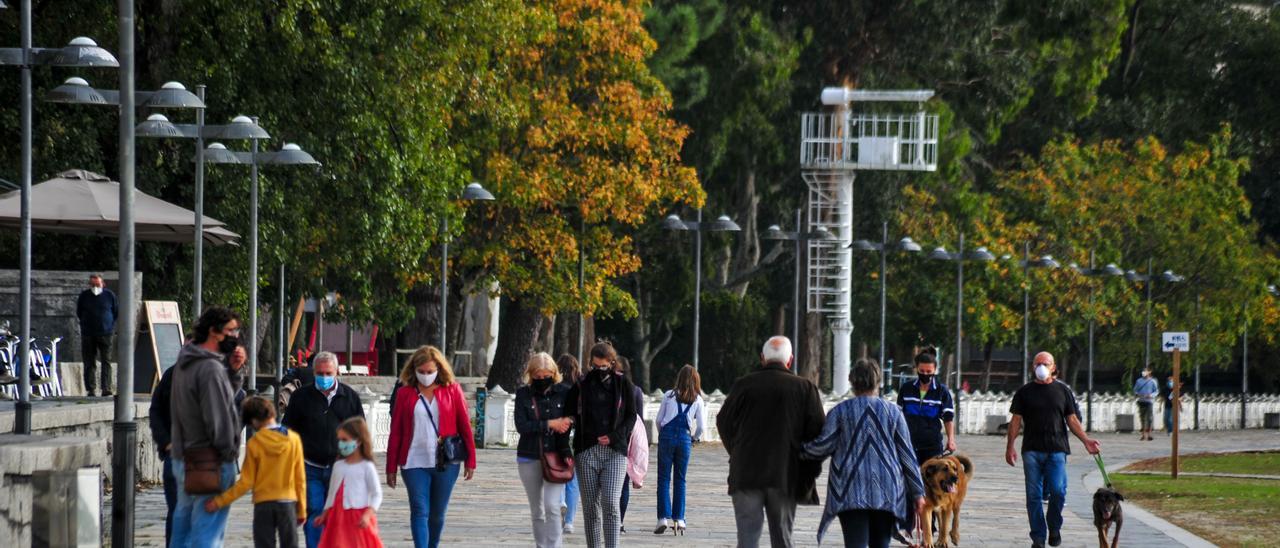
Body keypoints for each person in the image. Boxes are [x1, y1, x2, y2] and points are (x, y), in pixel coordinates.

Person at [716, 336, 825, 548]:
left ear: (762, 358)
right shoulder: (805, 389)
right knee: (783, 540)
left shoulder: (744, 385)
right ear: (790, 360)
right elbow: (818, 434)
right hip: (786, 475)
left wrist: (737, 451)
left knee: (747, 540)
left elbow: (723, 422)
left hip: (746, 474)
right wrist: (807, 469)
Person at [803, 358, 926, 547]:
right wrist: (918, 493)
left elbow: (823, 446)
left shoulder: (840, 412)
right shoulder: (893, 412)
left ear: (852, 381)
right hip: (887, 489)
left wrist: (798, 450)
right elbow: (907, 456)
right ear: (878, 382)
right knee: (881, 544)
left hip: (850, 489)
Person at [1005, 351, 1101, 548]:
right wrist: (1010, 447)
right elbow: (1015, 421)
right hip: (1031, 450)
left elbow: (1072, 420)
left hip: (1057, 450)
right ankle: (1038, 537)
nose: (1041, 366)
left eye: (1045, 363)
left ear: (1053, 367)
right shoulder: (1024, 392)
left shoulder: (1062, 391)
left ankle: (1054, 526)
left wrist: (1086, 440)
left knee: (1058, 491)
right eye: (1038, 363)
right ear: (1033, 367)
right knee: (1033, 495)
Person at [169, 306, 245, 547]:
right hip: (209, 461)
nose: (235, 336)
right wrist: (228, 454)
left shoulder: (186, 362)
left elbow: (215, 398)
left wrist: (232, 373)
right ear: (214, 332)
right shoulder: (210, 368)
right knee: (207, 534)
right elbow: (217, 416)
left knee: (182, 528)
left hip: (185, 457)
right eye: (231, 331)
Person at [386, 345, 477, 548]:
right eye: (421, 372)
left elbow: (464, 426)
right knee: (419, 509)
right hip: (412, 461)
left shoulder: (452, 390)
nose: (426, 376)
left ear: (439, 370)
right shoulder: (404, 393)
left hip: (446, 461)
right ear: (413, 370)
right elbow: (396, 432)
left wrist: (471, 460)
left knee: (436, 514)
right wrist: (390, 467)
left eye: (430, 372)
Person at [282, 351, 366, 548]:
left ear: (337, 372)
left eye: (328, 373)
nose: (324, 377)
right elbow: (287, 430)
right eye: (320, 373)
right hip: (310, 466)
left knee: (340, 514)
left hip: (341, 466)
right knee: (315, 511)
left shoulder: (350, 397)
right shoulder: (301, 397)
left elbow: (361, 432)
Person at [564, 341, 638, 548]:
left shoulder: (623, 384)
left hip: (615, 451)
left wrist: (615, 436)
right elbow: (568, 413)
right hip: (586, 451)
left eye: (603, 367)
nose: (599, 371)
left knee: (611, 503)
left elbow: (631, 416)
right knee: (590, 507)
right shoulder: (582, 384)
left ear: (612, 363)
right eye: (595, 366)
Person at [206, 396, 307, 548]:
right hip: (288, 502)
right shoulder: (294, 440)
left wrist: (219, 502)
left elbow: (245, 483)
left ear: (253, 421)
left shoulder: (255, 442)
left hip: (263, 504)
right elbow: (300, 478)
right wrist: (302, 510)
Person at [515, 352, 573, 548]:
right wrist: (549, 423)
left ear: (553, 374)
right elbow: (522, 425)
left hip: (555, 456)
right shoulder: (524, 394)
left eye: (545, 376)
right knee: (537, 509)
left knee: (552, 506)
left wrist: (564, 426)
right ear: (531, 376)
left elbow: (569, 421)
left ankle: (555, 545)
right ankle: (542, 545)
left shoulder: (564, 392)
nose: (542, 380)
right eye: (537, 377)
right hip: (529, 456)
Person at [653, 364, 706, 535]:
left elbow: (658, 420)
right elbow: (701, 427)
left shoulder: (669, 395)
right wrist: (694, 439)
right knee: (680, 480)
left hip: (667, 436)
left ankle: (663, 518)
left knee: (663, 479)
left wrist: (663, 435)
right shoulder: (698, 399)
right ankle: (680, 519)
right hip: (684, 438)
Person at [315, 417, 383, 548]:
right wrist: (325, 514)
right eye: (339, 440)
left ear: (358, 441)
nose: (341, 443)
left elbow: (377, 494)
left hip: (358, 516)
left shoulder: (366, 466)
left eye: (344, 440)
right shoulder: (338, 466)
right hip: (338, 517)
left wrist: (368, 514)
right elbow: (332, 493)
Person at [897, 347, 956, 465]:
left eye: (929, 372)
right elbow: (897, 415)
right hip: (909, 443)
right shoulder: (906, 389)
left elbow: (948, 418)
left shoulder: (941, 391)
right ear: (917, 369)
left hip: (932, 446)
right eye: (922, 371)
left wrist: (951, 440)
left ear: (935, 370)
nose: (925, 374)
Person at [616, 356, 646, 534]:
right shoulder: (636, 391)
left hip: (616, 438)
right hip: (628, 439)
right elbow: (639, 420)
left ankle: (616, 520)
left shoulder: (613, 389)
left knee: (616, 482)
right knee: (624, 482)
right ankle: (618, 521)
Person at [76, 273, 117, 397]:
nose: (95, 287)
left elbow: (115, 312)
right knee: (89, 362)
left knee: (106, 361)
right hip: (88, 333)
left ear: (102, 284)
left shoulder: (109, 295)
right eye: (92, 284)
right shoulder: (84, 296)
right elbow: (79, 312)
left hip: (106, 333)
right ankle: (91, 389)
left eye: (97, 284)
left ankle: (106, 388)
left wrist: (108, 324)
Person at [556, 353, 582, 535]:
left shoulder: (554, 388)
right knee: (573, 481)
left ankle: (559, 502)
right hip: (577, 437)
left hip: (558, 436)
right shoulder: (580, 388)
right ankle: (570, 522)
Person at [1133, 367, 1158, 441]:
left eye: (1145, 371)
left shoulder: (1153, 381)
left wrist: (1151, 395)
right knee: (1142, 418)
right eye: (1143, 371)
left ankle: (1149, 434)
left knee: (1149, 418)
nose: (1144, 372)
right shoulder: (1139, 381)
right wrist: (1138, 394)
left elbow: (1156, 391)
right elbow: (1135, 390)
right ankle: (1143, 434)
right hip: (1141, 401)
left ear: (1149, 372)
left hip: (1149, 401)